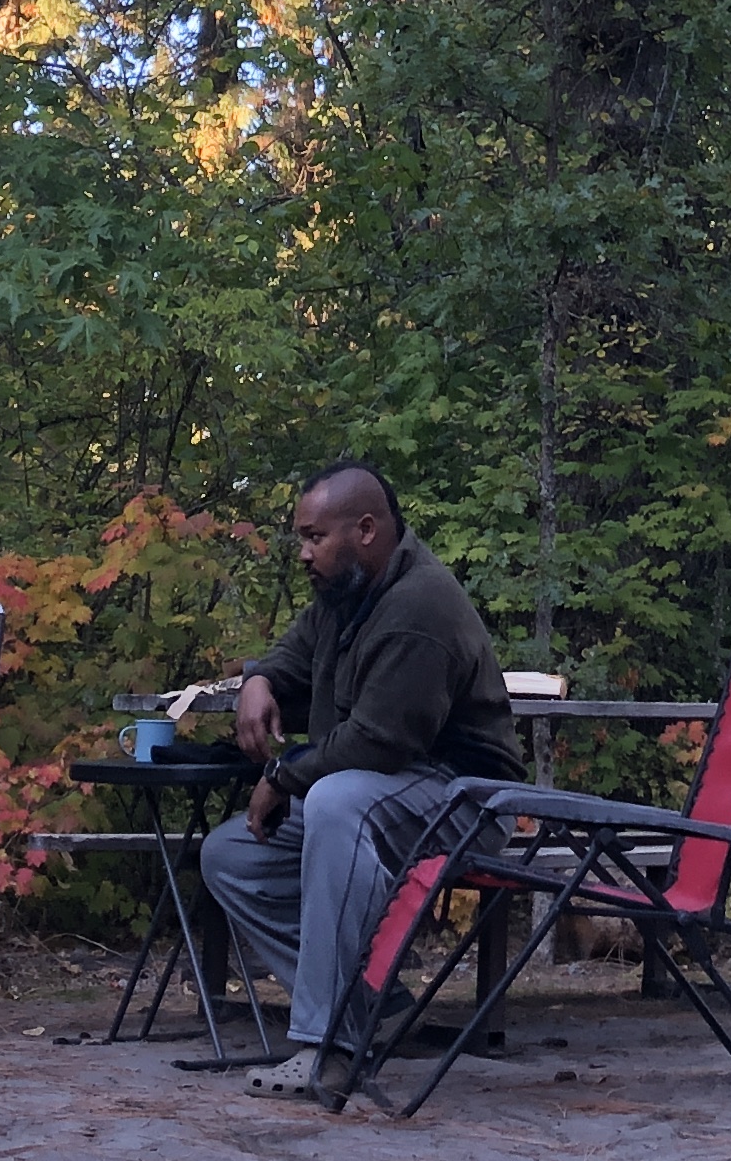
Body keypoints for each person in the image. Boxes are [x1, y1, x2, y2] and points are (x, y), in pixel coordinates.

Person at [199, 460, 522, 1108]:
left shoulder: (417, 606)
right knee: (230, 854)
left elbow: (378, 742)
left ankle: (330, 1049)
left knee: (337, 800)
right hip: (394, 790)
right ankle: (381, 1007)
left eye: (315, 537)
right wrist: (258, 680)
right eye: (300, 537)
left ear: (366, 530)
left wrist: (282, 775)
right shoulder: (343, 594)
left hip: (465, 796)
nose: (303, 553)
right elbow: (289, 659)